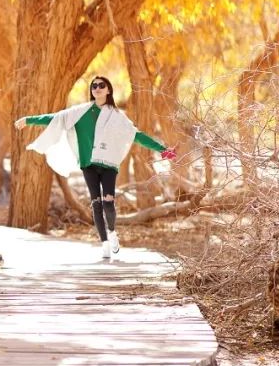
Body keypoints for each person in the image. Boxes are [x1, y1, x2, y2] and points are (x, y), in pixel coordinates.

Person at [14, 76, 176, 259]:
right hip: (88, 165)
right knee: (96, 203)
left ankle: (113, 232)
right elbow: (54, 119)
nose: (97, 88)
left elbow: (136, 135)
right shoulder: (79, 112)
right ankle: (105, 243)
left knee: (108, 202)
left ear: (108, 90)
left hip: (108, 165)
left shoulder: (117, 117)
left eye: (101, 85)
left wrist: (163, 151)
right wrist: (29, 120)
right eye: (94, 86)